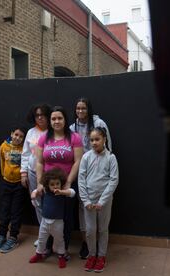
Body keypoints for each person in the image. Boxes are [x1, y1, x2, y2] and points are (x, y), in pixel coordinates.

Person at [35, 106, 83, 257]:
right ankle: (48, 248)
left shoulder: (74, 137)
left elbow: (78, 161)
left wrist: (68, 182)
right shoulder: (44, 138)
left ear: (65, 120)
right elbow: (39, 163)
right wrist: (40, 183)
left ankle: (64, 248)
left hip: (68, 184)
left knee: (67, 217)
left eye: (60, 118)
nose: (56, 121)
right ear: (50, 121)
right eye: (54, 118)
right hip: (48, 187)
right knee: (48, 217)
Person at [69, 97, 113, 259]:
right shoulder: (72, 127)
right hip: (81, 172)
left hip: (99, 173)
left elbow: (108, 147)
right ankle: (87, 244)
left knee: (101, 220)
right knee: (83, 209)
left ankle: (99, 252)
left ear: (89, 109)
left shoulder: (98, 123)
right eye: (78, 108)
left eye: (84, 108)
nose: (80, 111)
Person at [78, 127, 119, 272]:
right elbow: (81, 179)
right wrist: (86, 201)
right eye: (92, 140)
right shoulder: (86, 157)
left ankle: (101, 256)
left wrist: (102, 201)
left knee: (102, 229)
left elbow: (114, 181)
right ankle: (92, 255)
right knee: (90, 230)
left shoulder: (111, 158)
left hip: (104, 201)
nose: (94, 142)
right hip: (88, 201)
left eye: (97, 139)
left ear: (104, 139)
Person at [29, 168, 76, 268]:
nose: (55, 186)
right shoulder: (45, 192)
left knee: (60, 240)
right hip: (44, 222)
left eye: (57, 183)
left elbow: (72, 193)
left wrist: (62, 192)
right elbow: (35, 191)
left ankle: (61, 257)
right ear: (48, 185)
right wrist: (34, 193)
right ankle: (38, 255)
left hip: (58, 222)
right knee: (41, 240)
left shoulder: (62, 193)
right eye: (52, 184)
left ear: (61, 183)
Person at [0, 126, 27, 253]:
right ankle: (2, 235)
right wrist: (5, 175)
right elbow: (2, 161)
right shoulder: (3, 146)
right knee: (5, 210)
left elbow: (26, 164)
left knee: (16, 211)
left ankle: (13, 237)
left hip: (19, 185)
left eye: (21, 136)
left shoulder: (24, 149)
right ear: (12, 134)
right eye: (16, 134)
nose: (18, 138)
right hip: (6, 183)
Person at [20, 104, 51, 247]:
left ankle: (53, 237)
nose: (40, 118)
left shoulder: (54, 131)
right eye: (37, 115)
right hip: (32, 173)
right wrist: (23, 173)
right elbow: (25, 154)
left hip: (51, 175)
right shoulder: (31, 132)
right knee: (38, 203)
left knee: (51, 204)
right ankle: (43, 236)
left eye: (42, 115)